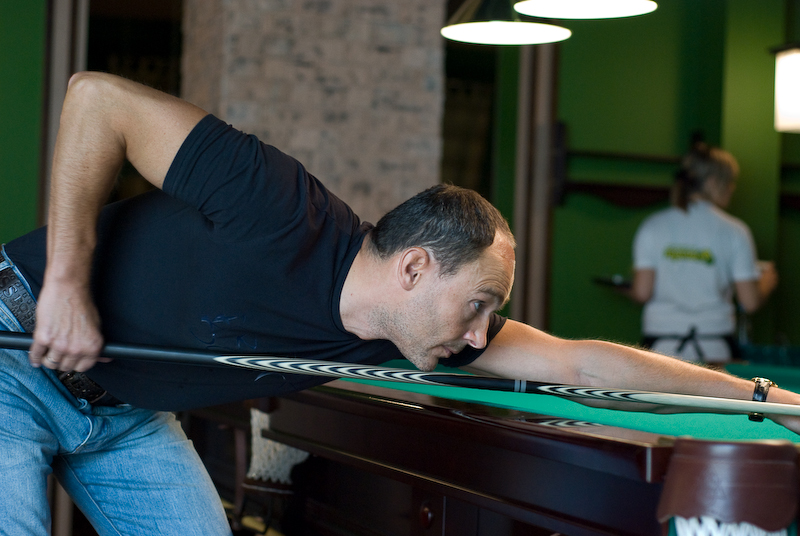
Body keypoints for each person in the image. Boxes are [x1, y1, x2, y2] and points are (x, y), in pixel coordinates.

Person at [2, 72, 799, 536]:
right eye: (479, 304)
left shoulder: (404, 333)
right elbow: (95, 99)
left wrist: (763, 398)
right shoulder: (275, 205)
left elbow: (586, 364)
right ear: (415, 267)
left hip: (123, 414)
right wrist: (67, 284)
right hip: (15, 351)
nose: (481, 335)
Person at [630, 142, 778, 364]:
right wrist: (765, 284)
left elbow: (642, 293)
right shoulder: (735, 231)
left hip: (660, 346)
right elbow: (750, 302)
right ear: (712, 182)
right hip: (716, 346)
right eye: (729, 181)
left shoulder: (652, 226)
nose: (732, 188)